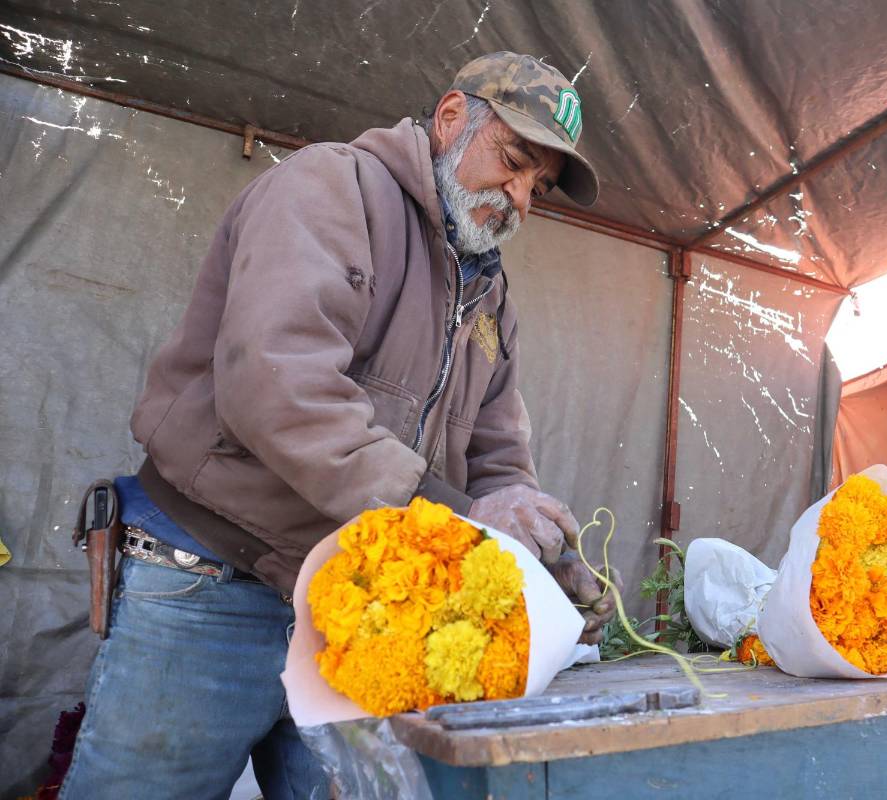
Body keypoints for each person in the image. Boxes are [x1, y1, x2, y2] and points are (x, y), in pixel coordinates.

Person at [61, 51, 617, 800]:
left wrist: (542, 555)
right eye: (513, 160)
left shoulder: (491, 300)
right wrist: (457, 516)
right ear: (451, 118)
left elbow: (499, 462)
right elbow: (276, 385)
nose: (517, 196)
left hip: (353, 612)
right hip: (208, 581)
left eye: (537, 186)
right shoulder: (334, 187)